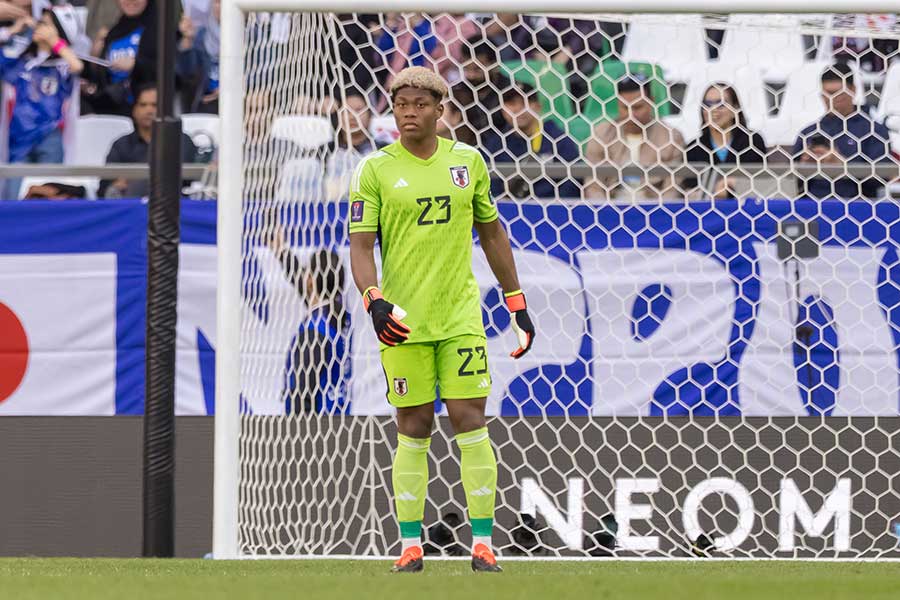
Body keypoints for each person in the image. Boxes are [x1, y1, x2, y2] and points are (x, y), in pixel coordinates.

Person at [348, 66, 535, 573]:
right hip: (403, 322)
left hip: (459, 317)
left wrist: (515, 300)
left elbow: (492, 233)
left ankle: (483, 544)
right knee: (413, 424)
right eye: (400, 103)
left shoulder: (468, 161)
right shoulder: (375, 169)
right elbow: (361, 246)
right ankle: (411, 545)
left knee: (470, 420)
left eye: (418, 104)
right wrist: (373, 299)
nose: (408, 112)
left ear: (439, 108)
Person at [0, 9, 83, 200]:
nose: (39, 27)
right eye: (40, 23)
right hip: (19, 141)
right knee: (15, 198)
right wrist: (13, 31)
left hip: (49, 138)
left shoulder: (61, 64)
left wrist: (55, 42)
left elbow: (77, 66)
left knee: (48, 197)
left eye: (45, 24)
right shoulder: (22, 62)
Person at [270, 229, 352, 414]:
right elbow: (310, 292)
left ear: (310, 280)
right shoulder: (341, 318)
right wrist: (282, 252)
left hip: (315, 431)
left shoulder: (314, 332)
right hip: (341, 423)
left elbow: (300, 394)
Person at [792, 62, 893, 200]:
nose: (832, 99)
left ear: (853, 90)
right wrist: (805, 166)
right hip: (811, 206)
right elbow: (790, 182)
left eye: (837, 93)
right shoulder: (808, 133)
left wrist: (841, 165)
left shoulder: (874, 131)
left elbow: (882, 178)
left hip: (857, 207)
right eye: (827, 93)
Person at [584, 76, 685, 202]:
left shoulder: (671, 137)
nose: (630, 115)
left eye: (637, 107)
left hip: (654, 208)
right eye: (625, 108)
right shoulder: (601, 134)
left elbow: (672, 189)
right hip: (611, 208)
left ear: (651, 102)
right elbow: (593, 186)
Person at [99, 83, 199, 198]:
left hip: (173, 203)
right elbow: (104, 186)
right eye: (143, 105)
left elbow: (187, 179)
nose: (149, 110)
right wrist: (116, 186)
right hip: (129, 206)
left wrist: (133, 180)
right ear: (134, 110)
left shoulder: (181, 141)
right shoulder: (121, 144)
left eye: (155, 105)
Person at [483, 83, 581, 199]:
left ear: (538, 107)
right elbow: (488, 183)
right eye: (512, 104)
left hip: (551, 208)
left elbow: (573, 179)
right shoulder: (496, 143)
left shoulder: (557, 139)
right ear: (502, 109)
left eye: (525, 103)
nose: (518, 109)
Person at [683, 82, 767, 199]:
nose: (713, 110)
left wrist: (732, 185)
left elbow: (760, 184)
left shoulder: (752, 141)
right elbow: (690, 190)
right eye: (707, 104)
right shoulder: (694, 147)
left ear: (735, 108)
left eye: (721, 104)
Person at [81, 0, 154, 115]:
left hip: (145, 111)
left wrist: (136, 65)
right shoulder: (113, 32)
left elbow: (170, 71)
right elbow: (102, 76)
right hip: (111, 108)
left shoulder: (159, 30)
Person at [324, 90, 377, 201]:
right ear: (338, 117)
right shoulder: (325, 151)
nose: (353, 116)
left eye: (358, 110)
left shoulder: (383, 150)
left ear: (370, 115)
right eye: (347, 111)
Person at [176, 0, 220, 114]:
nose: (222, 7)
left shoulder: (253, 36)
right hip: (202, 106)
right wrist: (187, 40)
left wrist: (230, 92)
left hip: (240, 104)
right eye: (217, 2)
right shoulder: (200, 35)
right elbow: (186, 74)